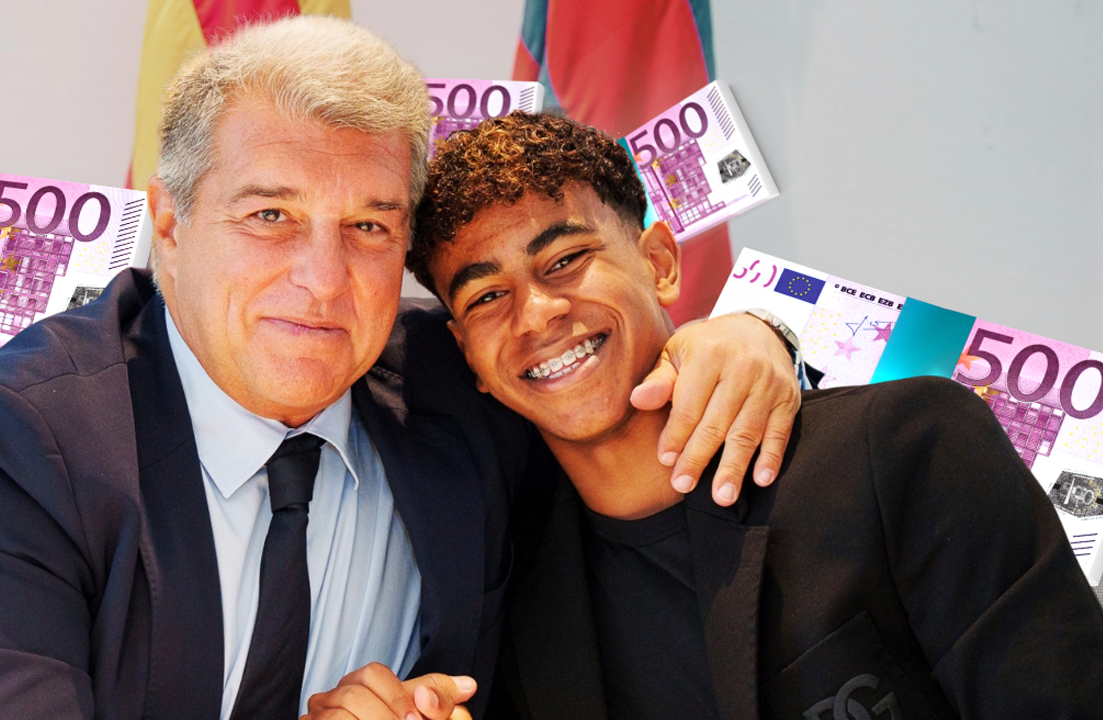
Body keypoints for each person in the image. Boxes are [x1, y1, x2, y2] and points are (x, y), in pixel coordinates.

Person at [0, 17, 805, 720]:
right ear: (170, 227)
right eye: (270, 216)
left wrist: (753, 336)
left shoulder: (456, 384)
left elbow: (596, 383)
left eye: (369, 227)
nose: (323, 280)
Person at [390, 112, 1103, 719]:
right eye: (486, 297)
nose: (537, 315)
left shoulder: (908, 451)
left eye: (565, 260)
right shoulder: (514, 603)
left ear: (660, 263)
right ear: (468, 356)